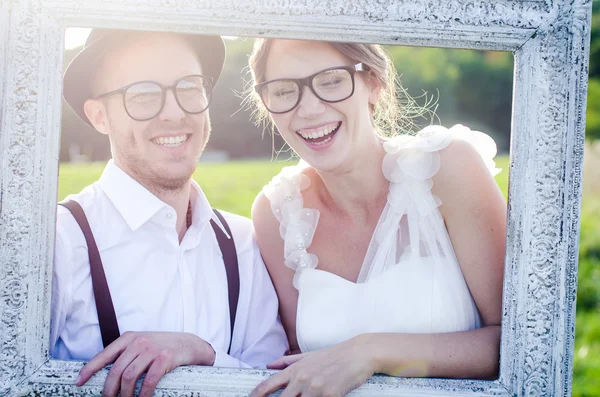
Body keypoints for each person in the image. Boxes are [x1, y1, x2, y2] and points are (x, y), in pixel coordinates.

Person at [246, 39, 507, 397]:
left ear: (373, 82)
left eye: (331, 81)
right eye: (283, 91)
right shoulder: (277, 213)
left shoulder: (446, 169)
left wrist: (371, 352)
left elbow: (516, 341)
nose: (307, 109)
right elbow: (297, 362)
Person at [51, 29, 288, 397]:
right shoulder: (57, 241)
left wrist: (203, 355)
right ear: (99, 116)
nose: (175, 113)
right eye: (144, 95)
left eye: (189, 87)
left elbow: (270, 384)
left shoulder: (244, 244)